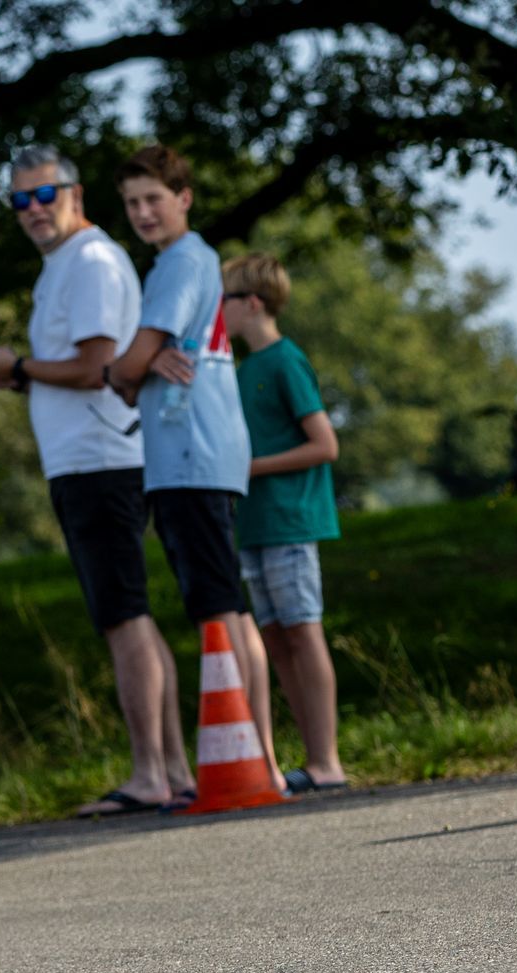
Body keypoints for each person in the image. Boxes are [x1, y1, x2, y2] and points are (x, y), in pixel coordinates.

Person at [0, 146, 194, 815]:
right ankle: (174, 771)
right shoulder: (65, 264)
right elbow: (72, 369)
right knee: (131, 616)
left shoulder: (91, 260)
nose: (34, 210)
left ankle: (151, 774)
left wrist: (22, 365)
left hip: (102, 461)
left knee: (123, 618)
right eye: (21, 200)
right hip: (90, 459)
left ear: (76, 193)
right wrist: (16, 373)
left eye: (46, 195)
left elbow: (99, 364)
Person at [104, 145, 284, 792]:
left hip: (191, 455)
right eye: (131, 203)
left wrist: (125, 365)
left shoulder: (181, 262)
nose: (143, 212)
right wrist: (137, 363)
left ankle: (253, 762)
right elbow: (140, 364)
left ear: (184, 198)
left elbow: (127, 368)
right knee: (224, 601)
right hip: (195, 454)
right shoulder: (182, 262)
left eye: (154, 198)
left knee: (219, 604)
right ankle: (258, 757)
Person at [220, 252, 347, 792]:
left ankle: (327, 762)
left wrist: (250, 468)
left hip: (291, 520)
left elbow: (325, 444)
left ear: (252, 304)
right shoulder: (243, 369)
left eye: (221, 301)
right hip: (255, 523)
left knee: (302, 630)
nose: (215, 313)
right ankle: (308, 761)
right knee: (274, 638)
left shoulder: (285, 362)